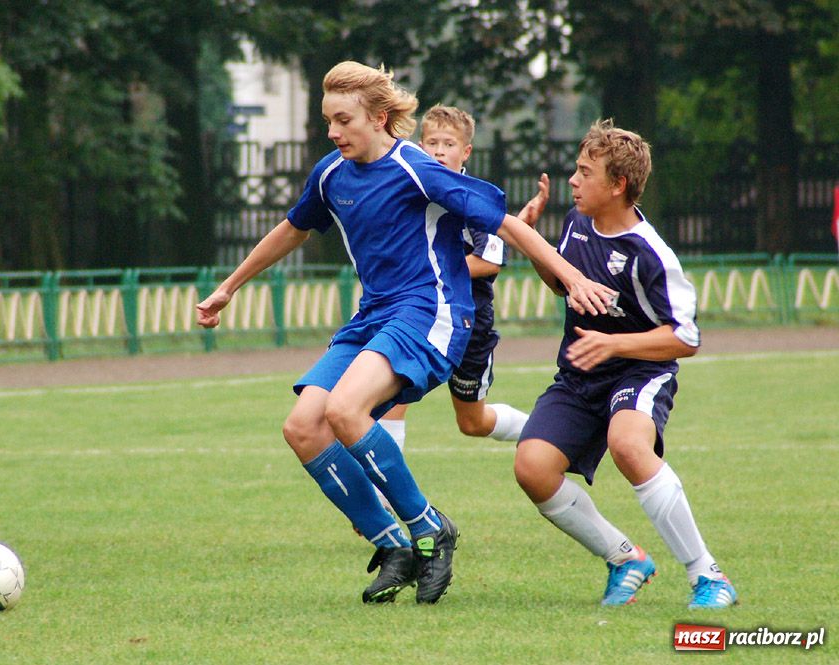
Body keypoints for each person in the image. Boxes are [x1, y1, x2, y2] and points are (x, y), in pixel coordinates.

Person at [197, 61, 614, 605]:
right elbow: (293, 229)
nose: (333, 132)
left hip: (430, 311)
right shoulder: (330, 174)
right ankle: (391, 542)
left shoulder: (416, 167)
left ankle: (429, 528)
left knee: (346, 410)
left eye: (343, 120)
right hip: (374, 314)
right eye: (327, 121)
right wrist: (230, 286)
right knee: (303, 427)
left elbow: (507, 224)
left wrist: (573, 275)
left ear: (378, 117)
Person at [513, 119, 738, 609]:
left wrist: (615, 346)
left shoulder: (650, 253)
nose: (572, 180)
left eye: (584, 171)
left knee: (629, 446)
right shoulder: (575, 225)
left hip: (638, 371)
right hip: (578, 375)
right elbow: (562, 285)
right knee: (532, 467)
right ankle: (625, 558)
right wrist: (531, 244)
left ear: (617, 186)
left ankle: (709, 576)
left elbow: (686, 337)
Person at [375, 105, 538, 474]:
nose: (438, 151)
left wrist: (432, 266)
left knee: (472, 423)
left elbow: (490, 261)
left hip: (469, 322)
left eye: (448, 144)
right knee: (393, 395)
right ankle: (385, 495)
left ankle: (546, 435)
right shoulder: (412, 193)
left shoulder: (471, 197)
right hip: (419, 314)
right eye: (431, 142)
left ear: (465, 152)